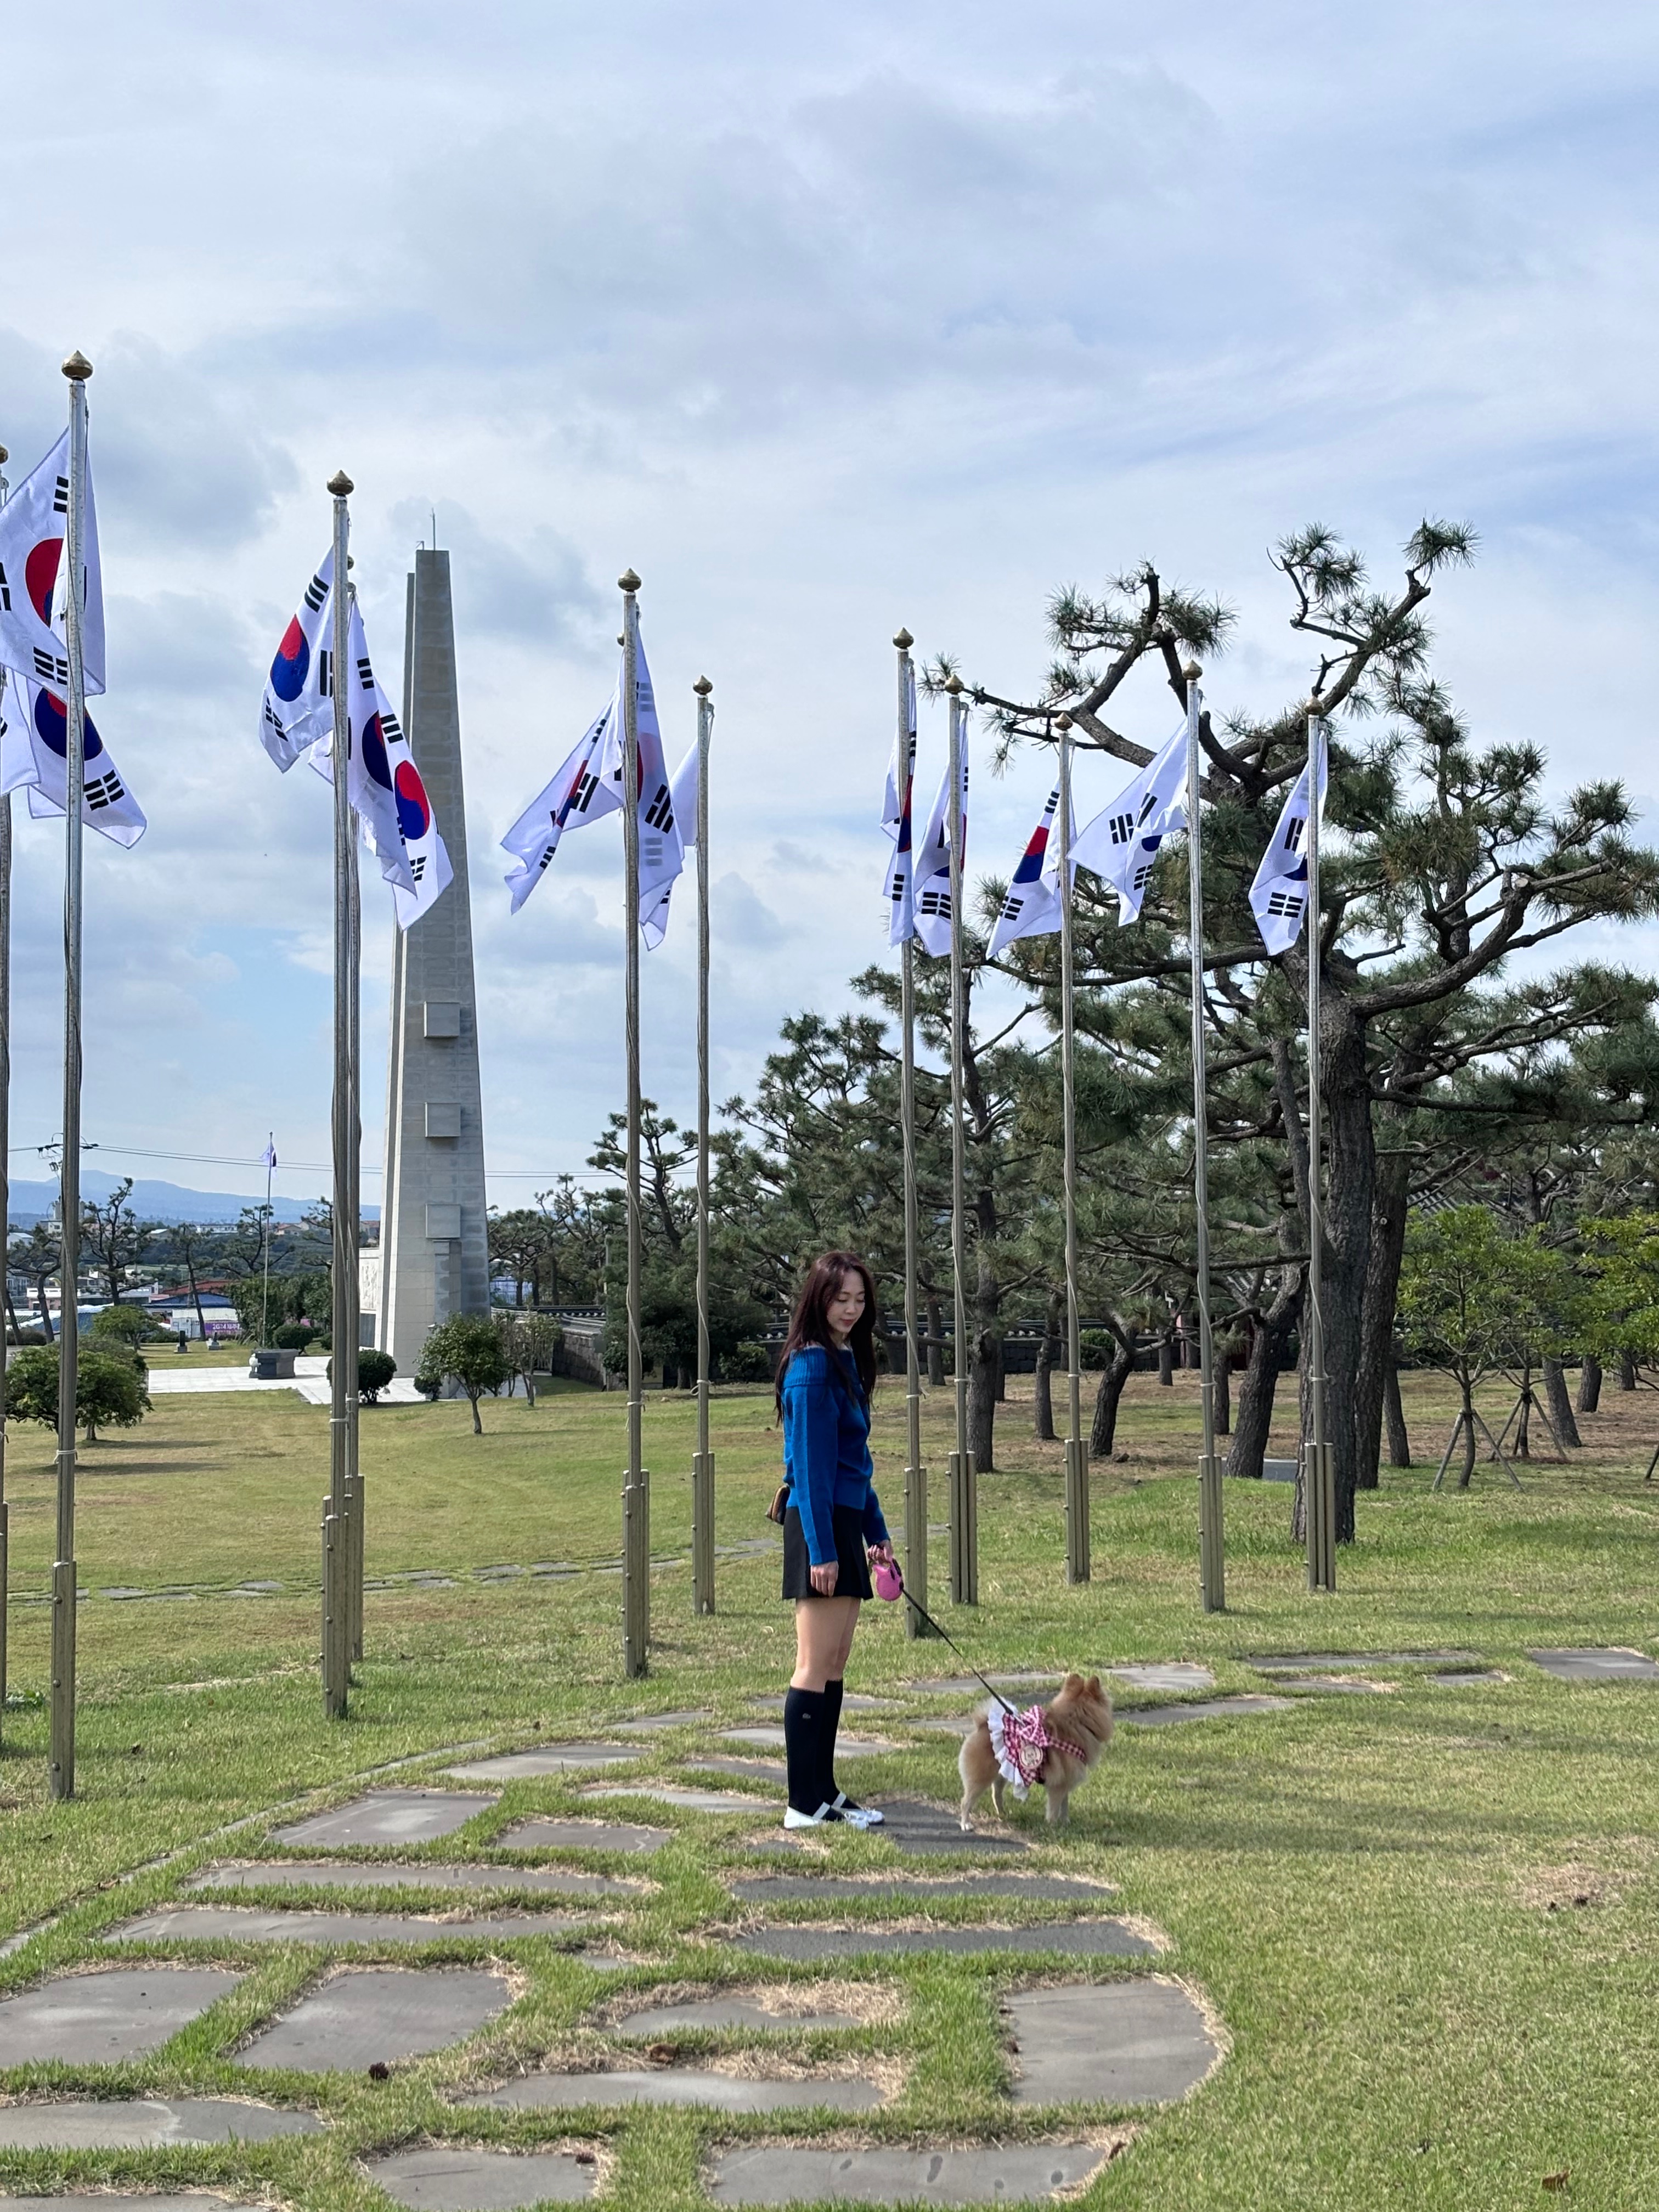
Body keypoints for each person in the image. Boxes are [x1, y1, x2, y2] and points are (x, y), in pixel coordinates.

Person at [775, 1250, 894, 1829]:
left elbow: (855, 1464)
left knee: (836, 1661)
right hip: (817, 1525)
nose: (851, 1309)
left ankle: (825, 1792)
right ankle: (802, 1802)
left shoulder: (844, 1358)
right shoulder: (812, 1366)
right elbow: (812, 1468)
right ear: (818, 1299)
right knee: (814, 1661)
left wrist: (877, 1534)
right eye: (840, 1298)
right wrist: (822, 1551)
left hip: (845, 1520)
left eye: (860, 1299)